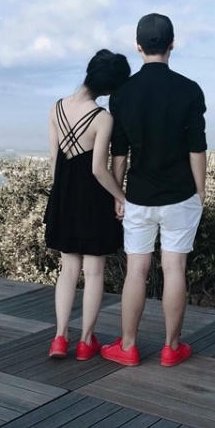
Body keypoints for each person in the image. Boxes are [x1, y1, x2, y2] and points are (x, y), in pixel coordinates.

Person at [101, 13, 207, 367]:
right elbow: (197, 148)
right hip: (181, 194)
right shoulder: (189, 90)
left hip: (139, 196)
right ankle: (171, 347)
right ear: (172, 44)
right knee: (174, 268)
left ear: (138, 47)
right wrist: (200, 191)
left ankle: (128, 346)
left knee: (136, 270)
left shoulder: (123, 94)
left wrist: (118, 195)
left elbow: (119, 153)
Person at [44, 49, 130, 360]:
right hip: (93, 200)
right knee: (94, 272)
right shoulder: (103, 118)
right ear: (109, 87)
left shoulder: (56, 107)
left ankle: (59, 338)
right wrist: (121, 197)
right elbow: (98, 169)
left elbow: (54, 160)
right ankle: (85, 341)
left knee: (68, 270)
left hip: (64, 196)